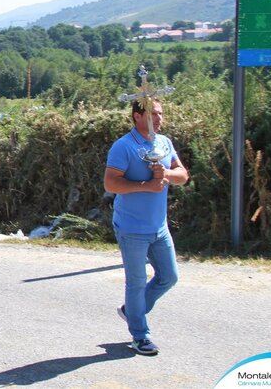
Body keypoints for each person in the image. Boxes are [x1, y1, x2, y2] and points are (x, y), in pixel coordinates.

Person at [104, 100, 189, 356]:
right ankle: (140, 335)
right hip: (131, 226)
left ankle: (132, 312)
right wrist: (146, 184)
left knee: (169, 277)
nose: (160, 118)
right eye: (153, 114)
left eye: (161, 113)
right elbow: (111, 184)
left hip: (158, 227)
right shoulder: (124, 146)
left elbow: (182, 175)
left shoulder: (163, 142)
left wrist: (164, 175)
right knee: (137, 282)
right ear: (137, 116)